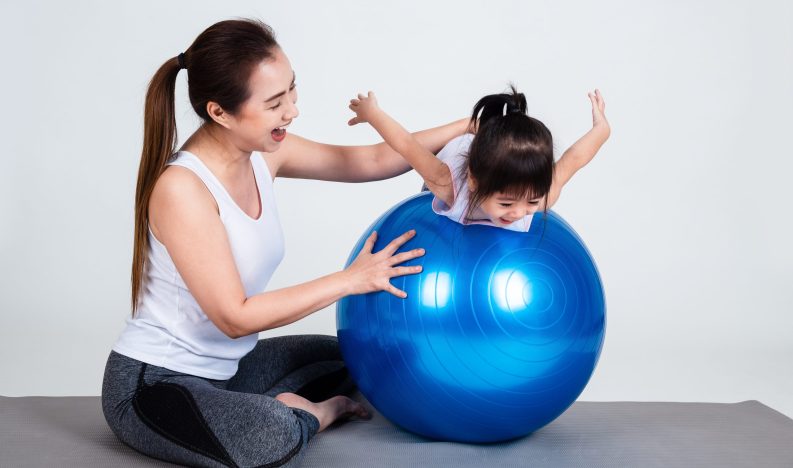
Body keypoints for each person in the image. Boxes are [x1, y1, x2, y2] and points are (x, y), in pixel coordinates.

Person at [101, 18, 468, 467]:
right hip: (153, 385)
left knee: (362, 358)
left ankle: (263, 407)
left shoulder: (264, 154)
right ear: (219, 112)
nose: (291, 111)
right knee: (269, 434)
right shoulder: (184, 190)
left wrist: (468, 126)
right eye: (275, 103)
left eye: (292, 91)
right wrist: (351, 280)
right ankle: (310, 415)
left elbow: (372, 159)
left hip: (227, 373)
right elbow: (235, 317)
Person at [347, 85, 610, 232]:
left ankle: (480, 127)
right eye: (506, 203)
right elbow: (406, 144)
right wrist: (372, 113)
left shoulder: (542, 196)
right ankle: (470, 126)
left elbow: (574, 158)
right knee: (431, 171)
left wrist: (602, 127)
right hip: (453, 167)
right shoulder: (449, 185)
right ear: (474, 181)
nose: (519, 212)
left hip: (487, 165)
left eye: (531, 201)